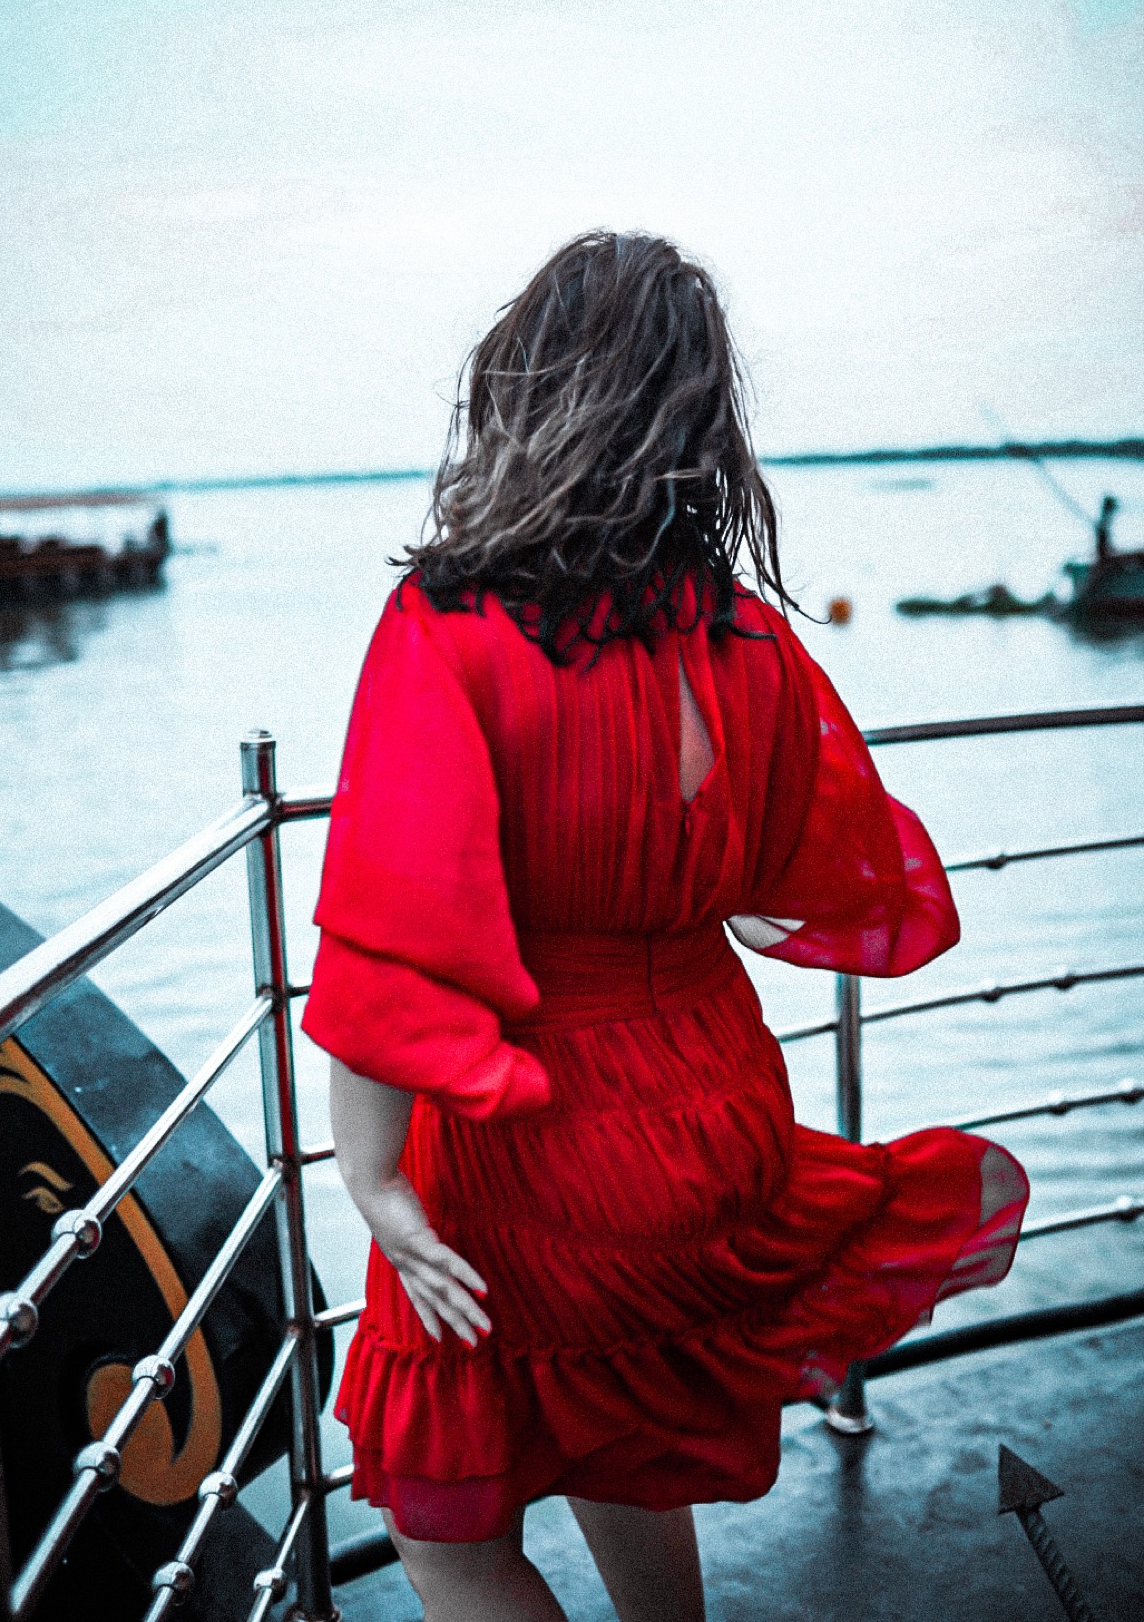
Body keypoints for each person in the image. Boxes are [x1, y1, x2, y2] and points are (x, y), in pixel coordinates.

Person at [302, 232, 1028, 1622]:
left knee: (442, 1531)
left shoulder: (448, 627)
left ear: (519, 393)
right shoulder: (741, 636)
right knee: (625, 1437)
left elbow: (393, 936)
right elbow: (788, 880)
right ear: (700, 416)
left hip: (532, 1141)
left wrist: (378, 1184)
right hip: (712, 1108)